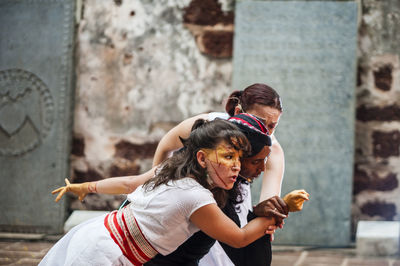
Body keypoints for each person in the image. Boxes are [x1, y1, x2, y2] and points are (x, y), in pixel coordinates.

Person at [52, 113, 288, 266]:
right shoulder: (196, 196)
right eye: (228, 157)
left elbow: (129, 183)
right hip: (104, 251)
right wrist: (279, 210)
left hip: (104, 239)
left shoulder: (176, 169)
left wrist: (87, 187)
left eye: (239, 158)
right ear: (202, 158)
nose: (236, 165)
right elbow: (240, 238)